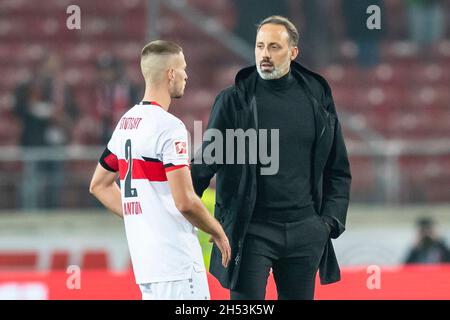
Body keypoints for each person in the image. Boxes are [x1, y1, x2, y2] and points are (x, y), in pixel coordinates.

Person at [191, 16, 351, 300]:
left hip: (306, 230)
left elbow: (337, 168)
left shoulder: (317, 96)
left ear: (293, 52)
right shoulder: (234, 100)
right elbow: (206, 163)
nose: (264, 54)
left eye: (274, 47)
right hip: (250, 231)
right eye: (260, 46)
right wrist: (177, 206)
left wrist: (328, 222)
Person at [89, 40, 231, 300]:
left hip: (147, 269)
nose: (186, 75)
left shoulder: (126, 124)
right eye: (183, 68)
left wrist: (141, 216)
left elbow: (98, 184)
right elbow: (185, 200)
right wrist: (217, 230)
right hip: (177, 265)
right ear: (171, 74)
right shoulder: (170, 127)